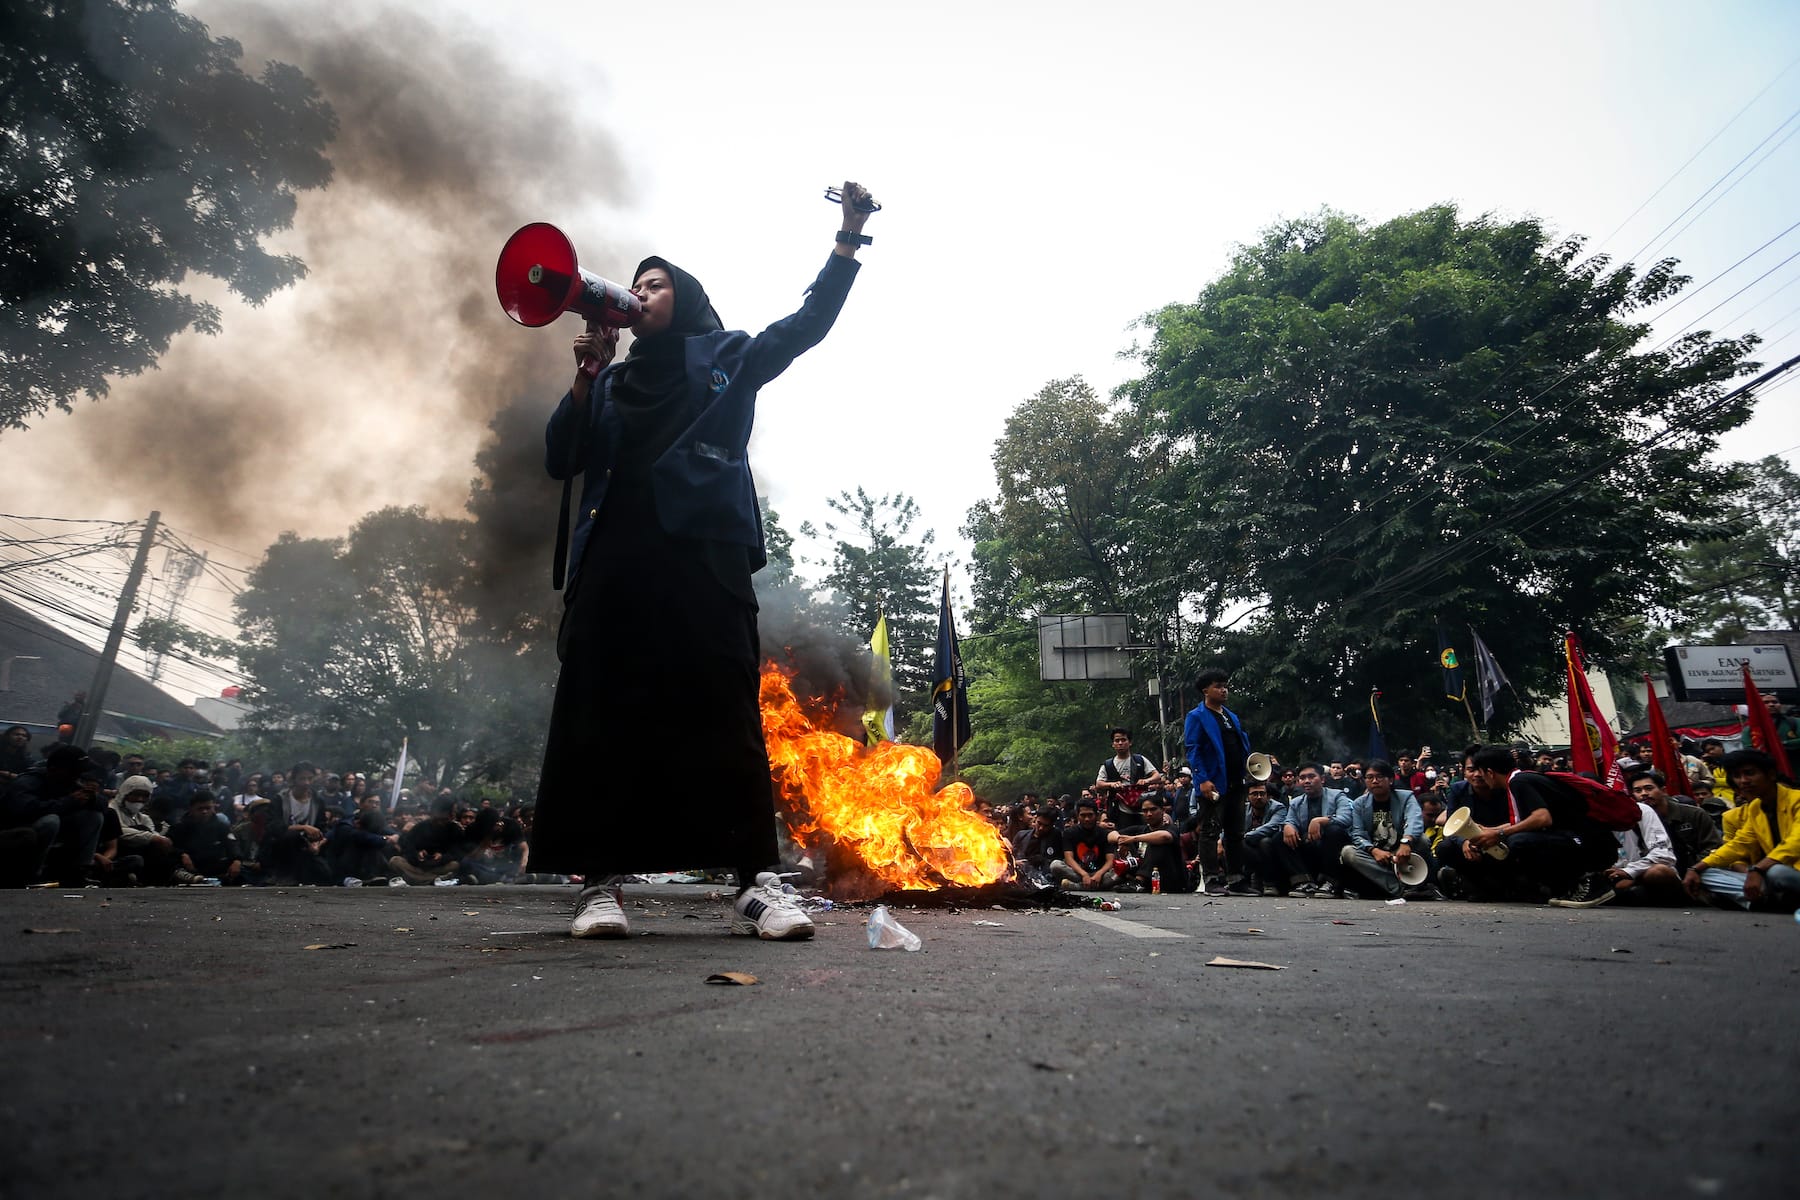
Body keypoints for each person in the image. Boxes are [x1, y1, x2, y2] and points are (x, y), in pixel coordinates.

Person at [531, 183, 875, 941]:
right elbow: (562, 457)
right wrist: (585, 375)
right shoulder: (613, 381)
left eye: (655, 285)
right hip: (617, 565)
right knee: (602, 712)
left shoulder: (726, 356)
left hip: (704, 563)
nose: (639, 292)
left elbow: (806, 325)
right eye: (636, 283)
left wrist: (846, 242)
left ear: (683, 301)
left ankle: (754, 883)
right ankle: (600, 885)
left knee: (725, 715)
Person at [1683, 749, 1800, 913]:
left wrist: (1758, 869)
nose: (1743, 781)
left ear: (1771, 774)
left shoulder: (1797, 799)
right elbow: (1739, 844)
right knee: (1706, 874)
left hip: (1786, 872)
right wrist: (1696, 868)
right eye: (1737, 776)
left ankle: (1767, 900)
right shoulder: (1755, 807)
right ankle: (1766, 900)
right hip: (1770, 876)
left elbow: (1795, 843)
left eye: (1749, 773)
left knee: (1776, 872)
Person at [1183, 667, 1255, 896]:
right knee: (1210, 831)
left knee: (1235, 833)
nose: (1224, 690)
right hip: (1214, 783)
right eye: (1218, 686)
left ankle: (1237, 879)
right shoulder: (1197, 716)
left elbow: (1241, 744)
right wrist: (1202, 779)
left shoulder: (1230, 716)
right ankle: (1212, 878)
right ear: (1206, 690)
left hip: (1236, 781)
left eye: (1225, 686)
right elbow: (1193, 750)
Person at [1323, 759, 1435, 900]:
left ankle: (1415, 883)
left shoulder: (1406, 797)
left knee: (1422, 840)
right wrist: (1373, 850)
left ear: (1391, 780)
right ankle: (1401, 888)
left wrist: (1406, 842)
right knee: (1348, 852)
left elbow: (1415, 820)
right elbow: (1357, 834)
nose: (1375, 781)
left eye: (1379, 777)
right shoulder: (1359, 804)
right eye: (1369, 777)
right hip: (1376, 855)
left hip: (1404, 852)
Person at [1109, 794, 1188, 893]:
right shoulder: (1140, 829)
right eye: (1145, 811)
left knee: (1155, 843)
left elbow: (1165, 836)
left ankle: (1139, 881)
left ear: (1163, 810)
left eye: (1153, 809)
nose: (1149, 814)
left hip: (1169, 879)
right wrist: (1121, 840)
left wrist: (1133, 839)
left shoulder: (1171, 828)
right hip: (1149, 879)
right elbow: (1110, 835)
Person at [1095, 728, 1163, 830]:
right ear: (1113, 744)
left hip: (1143, 809)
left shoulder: (1140, 760)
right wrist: (1111, 784)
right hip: (1120, 810)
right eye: (1117, 741)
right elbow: (1098, 783)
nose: (1120, 743)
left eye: (1123, 740)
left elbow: (1157, 776)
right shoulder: (1108, 764)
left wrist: (1146, 781)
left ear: (1130, 742)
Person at [1237, 781, 1289, 895]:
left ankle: (1270, 883)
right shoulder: (1244, 809)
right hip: (1252, 850)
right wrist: (1221, 840)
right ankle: (1239, 881)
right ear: (1248, 797)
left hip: (1274, 851)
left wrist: (1245, 836)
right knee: (1232, 843)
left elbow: (1272, 826)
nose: (1259, 797)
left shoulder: (1278, 808)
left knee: (1264, 841)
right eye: (1254, 794)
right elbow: (1231, 828)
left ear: (1268, 796)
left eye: (1262, 793)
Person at [1050, 802, 1115, 891]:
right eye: (1083, 815)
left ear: (1096, 815)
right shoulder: (1069, 833)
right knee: (1055, 865)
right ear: (1077, 816)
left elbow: (1110, 861)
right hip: (1078, 873)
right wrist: (1084, 874)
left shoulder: (1105, 834)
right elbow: (1069, 859)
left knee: (1121, 870)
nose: (1087, 819)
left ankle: (1077, 887)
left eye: (1090, 815)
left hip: (1100, 874)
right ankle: (1094, 886)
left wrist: (1099, 874)